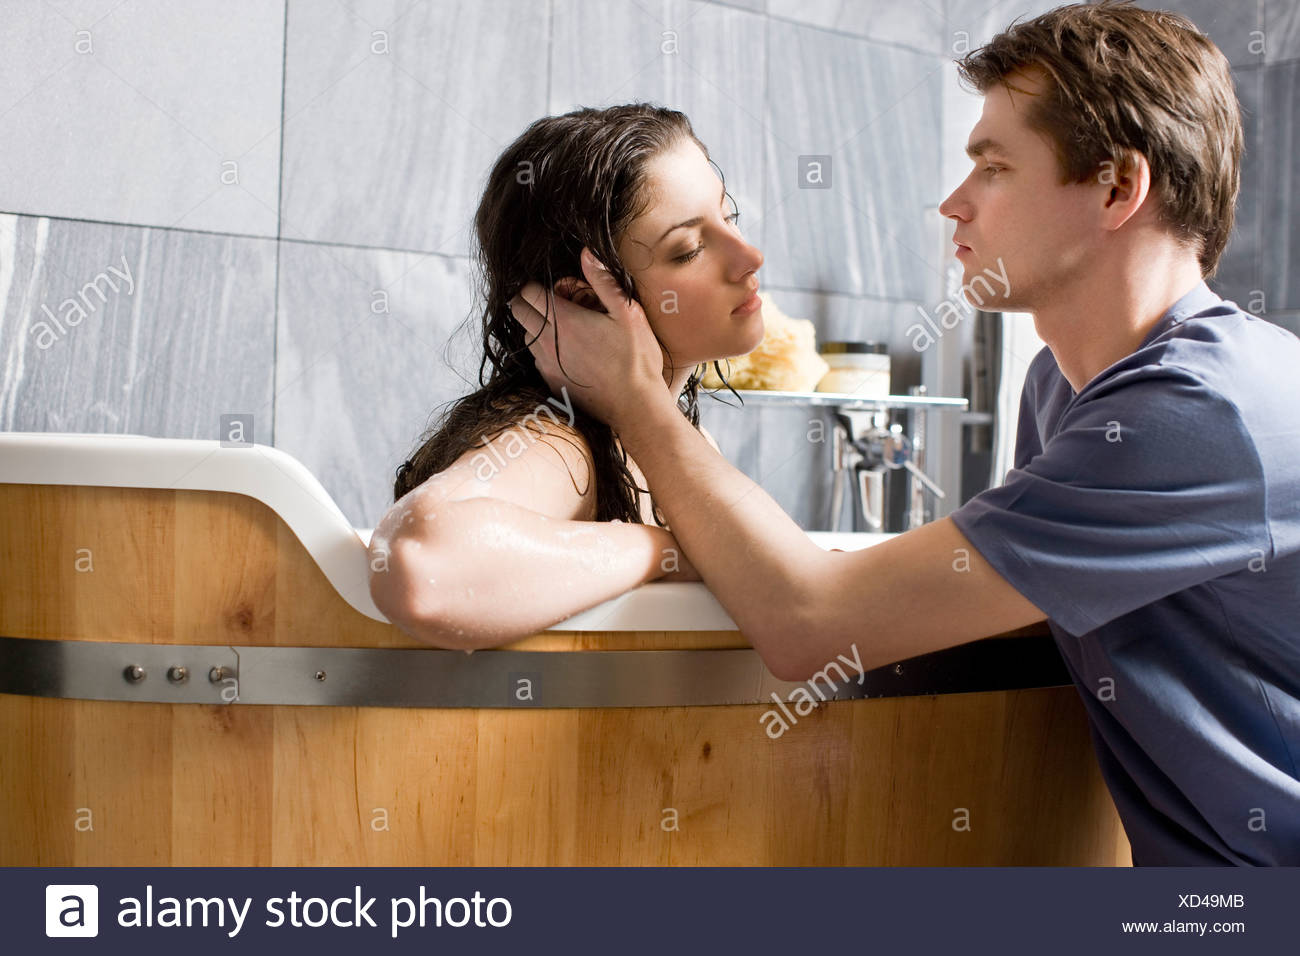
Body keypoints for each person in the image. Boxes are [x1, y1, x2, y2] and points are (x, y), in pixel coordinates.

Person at [509, 1, 1300, 866]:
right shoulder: (1068, 388)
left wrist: (636, 401)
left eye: (993, 168)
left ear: (1116, 188)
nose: (953, 204)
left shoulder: (1195, 410)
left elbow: (812, 628)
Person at [367, 104, 765, 648]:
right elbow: (419, 565)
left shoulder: (680, 440)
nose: (750, 257)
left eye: (730, 216)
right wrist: (660, 549)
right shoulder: (560, 444)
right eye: (688, 249)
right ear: (584, 300)